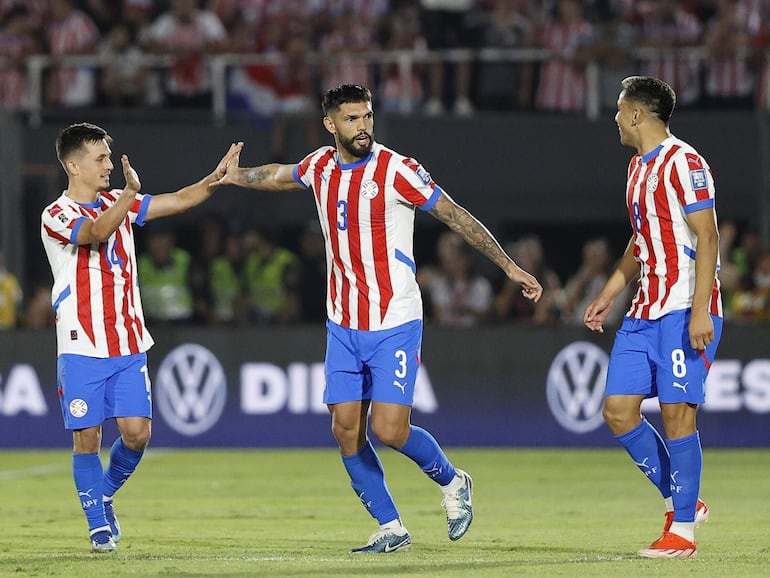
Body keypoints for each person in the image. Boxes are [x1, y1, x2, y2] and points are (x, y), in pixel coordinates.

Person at [214, 83, 543, 553]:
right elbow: (278, 175)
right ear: (331, 125)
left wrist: (509, 266)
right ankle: (391, 526)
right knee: (345, 429)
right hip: (342, 324)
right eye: (351, 119)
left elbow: (455, 215)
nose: (363, 126)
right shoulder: (320, 166)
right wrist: (236, 176)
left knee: (389, 429)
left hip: (394, 320)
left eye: (367, 116)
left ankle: (454, 482)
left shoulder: (397, 170)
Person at [40, 122, 241, 553]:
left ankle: (107, 494)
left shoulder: (119, 201)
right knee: (87, 439)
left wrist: (214, 178)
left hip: (129, 343)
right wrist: (129, 195)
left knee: (137, 435)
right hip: (82, 345)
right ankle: (97, 528)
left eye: (109, 158)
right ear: (74, 165)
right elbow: (95, 233)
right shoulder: (57, 214)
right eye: (100, 159)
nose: (109, 165)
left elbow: (182, 199)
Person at [583, 76, 722, 559]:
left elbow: (708, 237)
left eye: (620, 110)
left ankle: (682, 533)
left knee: (677, 414)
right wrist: (609, 293)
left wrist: (701, 310)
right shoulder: (635, 169)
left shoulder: (686, 162)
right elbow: (640, 243)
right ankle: (683, 500)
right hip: (644, 311)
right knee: (618, 411)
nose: (615, 119)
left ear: (638, 114)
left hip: (684, 307)